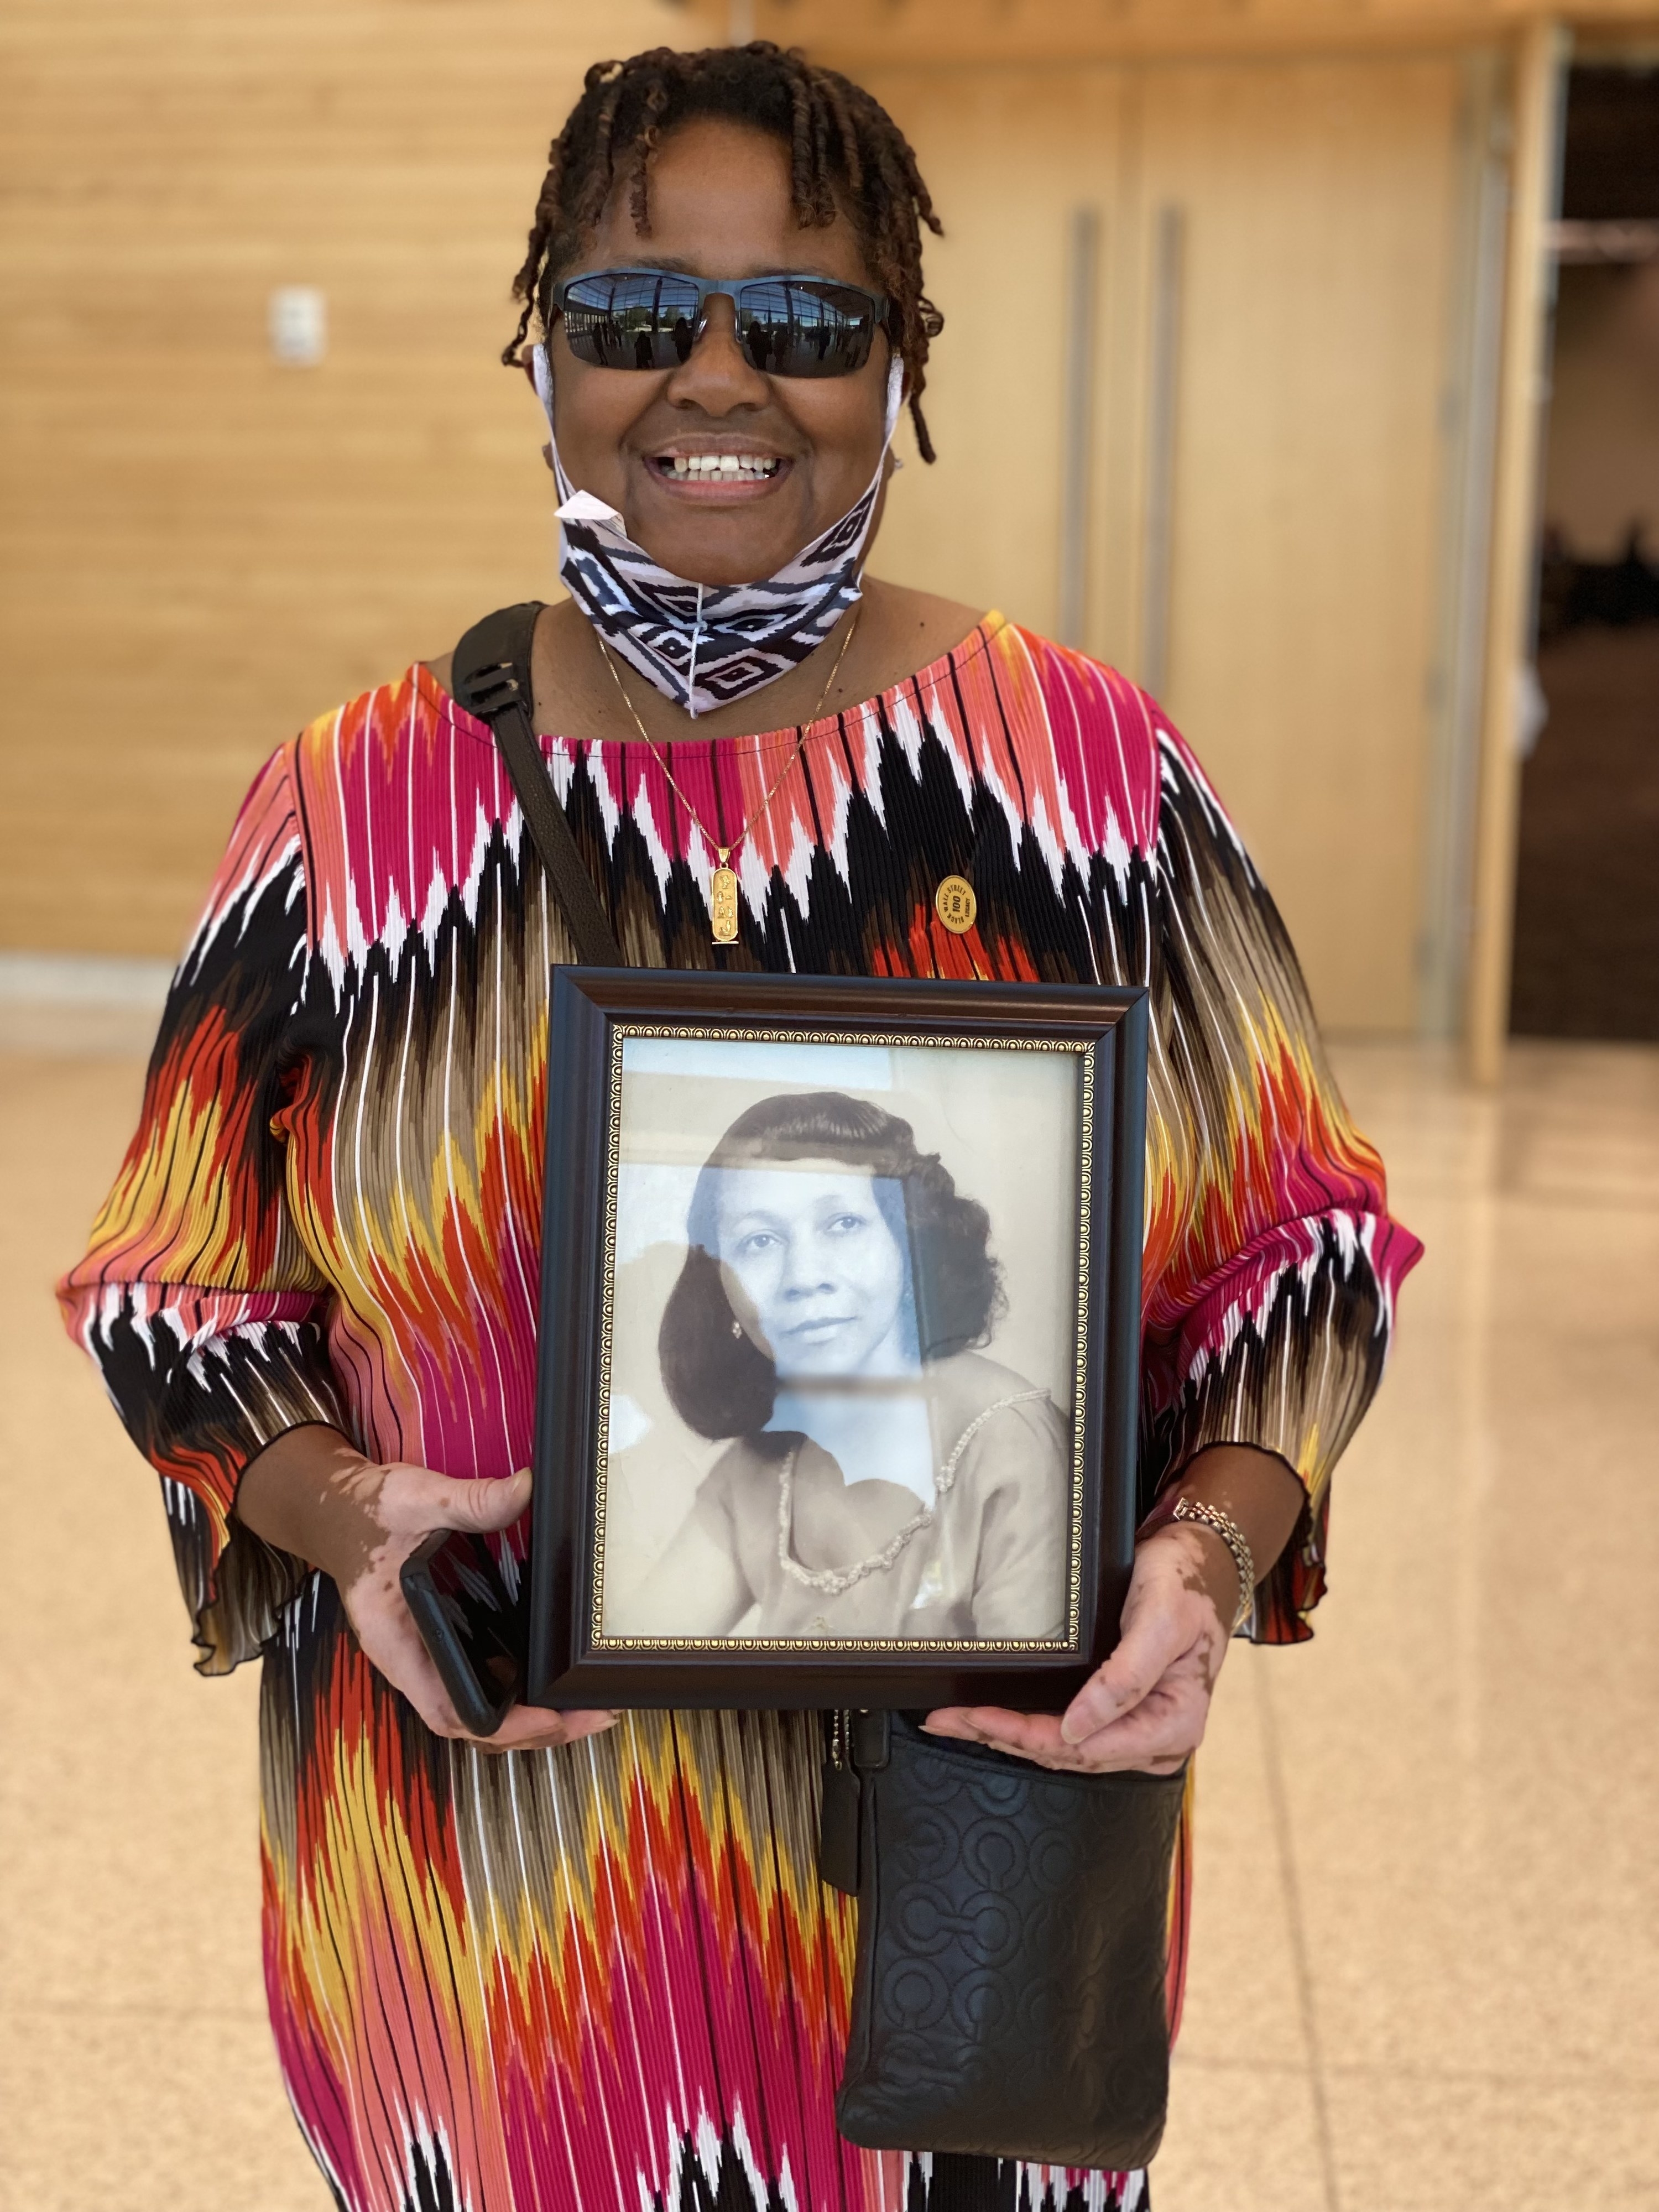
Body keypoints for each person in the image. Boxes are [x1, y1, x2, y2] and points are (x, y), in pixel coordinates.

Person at [59, 39, 1421, 2212]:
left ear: (898, 362)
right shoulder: (361, 804)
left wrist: (1209, 1549)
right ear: (545, 350)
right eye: (632, 318)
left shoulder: (1082, 775)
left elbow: (1300, 1247)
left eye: (806, 322)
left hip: (947, 1877)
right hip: (490, 1890)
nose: (718, 381)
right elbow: (173, 1279)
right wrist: (342, 1509)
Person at [614, 1089, 1069, 1640]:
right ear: (720, 1288)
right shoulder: (755, 1472)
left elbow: (1028, 1711)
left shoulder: (1007, 1439)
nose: (805, 1275)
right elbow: (628, 1656)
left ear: (909, 1243)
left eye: (842, 1225)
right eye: (759, 1240)